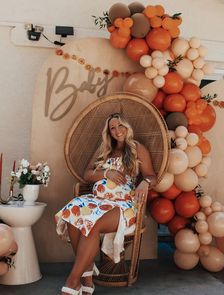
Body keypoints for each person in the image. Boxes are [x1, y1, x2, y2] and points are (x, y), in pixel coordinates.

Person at [55, 113, 157, 295]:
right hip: (98, 201)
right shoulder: (105, 148)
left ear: (127, 127)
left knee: (92, 224)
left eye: (120, 126)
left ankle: (73, 281)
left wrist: (145, 182)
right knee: (72, 213)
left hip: (122, 205)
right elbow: (87, 174)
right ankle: (86, 276)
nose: (117, 131)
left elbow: (151, 176)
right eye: (113, 128)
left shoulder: (136, 148)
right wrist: (106, 174)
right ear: (108, 132)